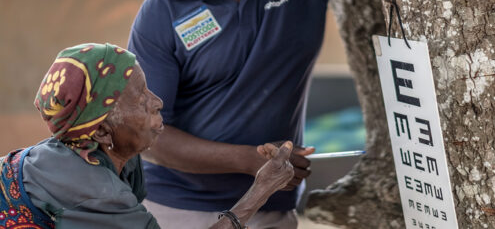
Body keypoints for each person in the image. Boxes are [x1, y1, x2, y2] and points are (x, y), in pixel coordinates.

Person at [127, 0, 377, 227]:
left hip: (271, 208)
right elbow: (145, 135)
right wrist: (249, 160)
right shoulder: (163, 13)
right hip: (177, 208)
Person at [0, 43, 294, 229]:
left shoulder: (113, 158)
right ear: (102, 130)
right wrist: (260, 191)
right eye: (140, 98)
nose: (157, 101)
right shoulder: (97, 191)